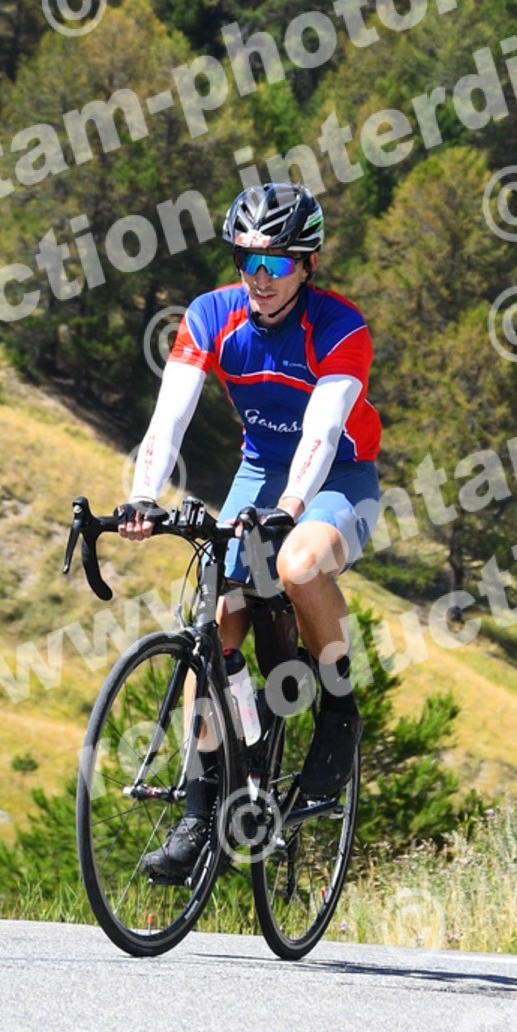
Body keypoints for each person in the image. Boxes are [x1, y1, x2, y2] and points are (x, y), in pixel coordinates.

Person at [117, 181, 382, 884]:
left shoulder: (340, 327)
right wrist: (143, 496)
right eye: (246, 260)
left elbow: (324, 428)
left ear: (307, 264)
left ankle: (339, 708)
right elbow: (170, 414)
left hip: (339, 475)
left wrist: (292, 505)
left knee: (296, 566)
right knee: (213, 627)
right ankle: (200, 808)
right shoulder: (212, 315)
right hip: (259, 471)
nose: (259, 278)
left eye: (275, 263)